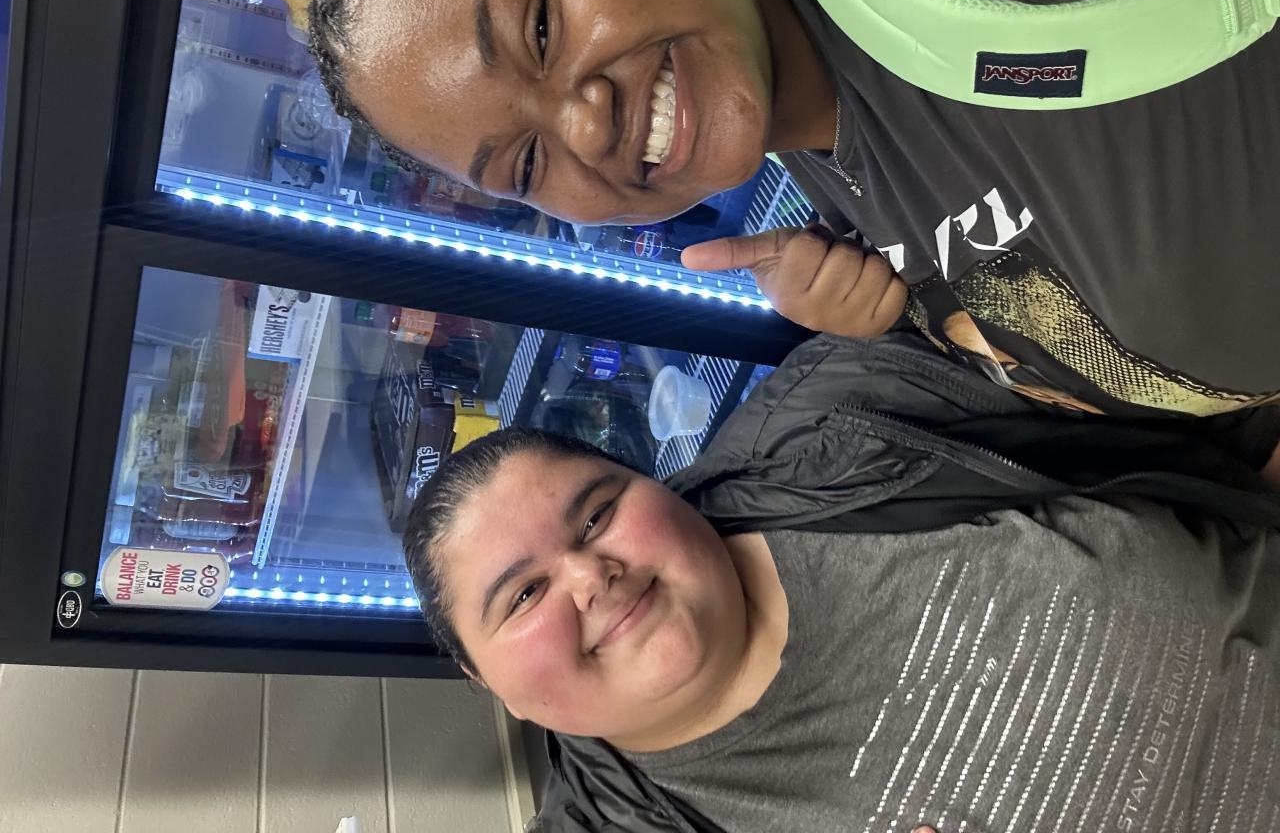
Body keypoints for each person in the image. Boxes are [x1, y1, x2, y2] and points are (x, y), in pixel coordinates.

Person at [298, 0, 1280, 463]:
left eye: (541, 26)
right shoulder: (821, 173)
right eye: (523, 162)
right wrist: (897, 320)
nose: (585, 125)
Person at [402, 330, 1280, 832]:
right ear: (488, 682)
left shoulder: (843, 416)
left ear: (653, 484)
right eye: (524, 596)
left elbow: (1154, 367)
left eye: (596, 515)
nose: (591, 576)